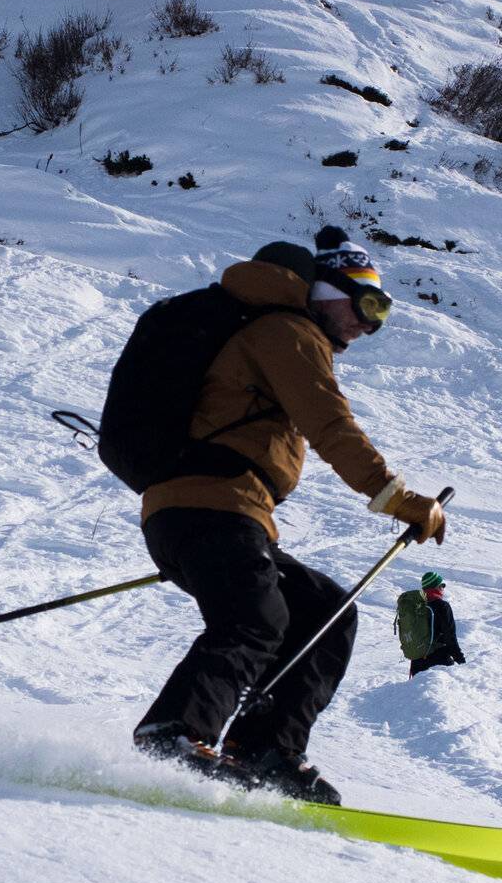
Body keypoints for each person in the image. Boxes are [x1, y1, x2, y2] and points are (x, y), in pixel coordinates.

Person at [132, 227, 446, 804]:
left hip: (214, 510)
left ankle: (266, 748)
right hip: (211, 504)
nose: (368, 325)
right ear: (322, 289)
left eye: (382, 313)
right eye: (365, 304)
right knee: (254, 618)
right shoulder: (287, 331)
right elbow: (331, 426)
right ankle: (174, 733)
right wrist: (398, 498)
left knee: (324, 611)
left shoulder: (276, 331)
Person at [406, 573, 466, 678]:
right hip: (439, 661)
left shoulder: (416, 607)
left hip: (417, 663)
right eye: (442, 585)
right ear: (436, 587)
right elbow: (450, 637)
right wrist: (461, 660)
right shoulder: (442, 606)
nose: (443, 588)